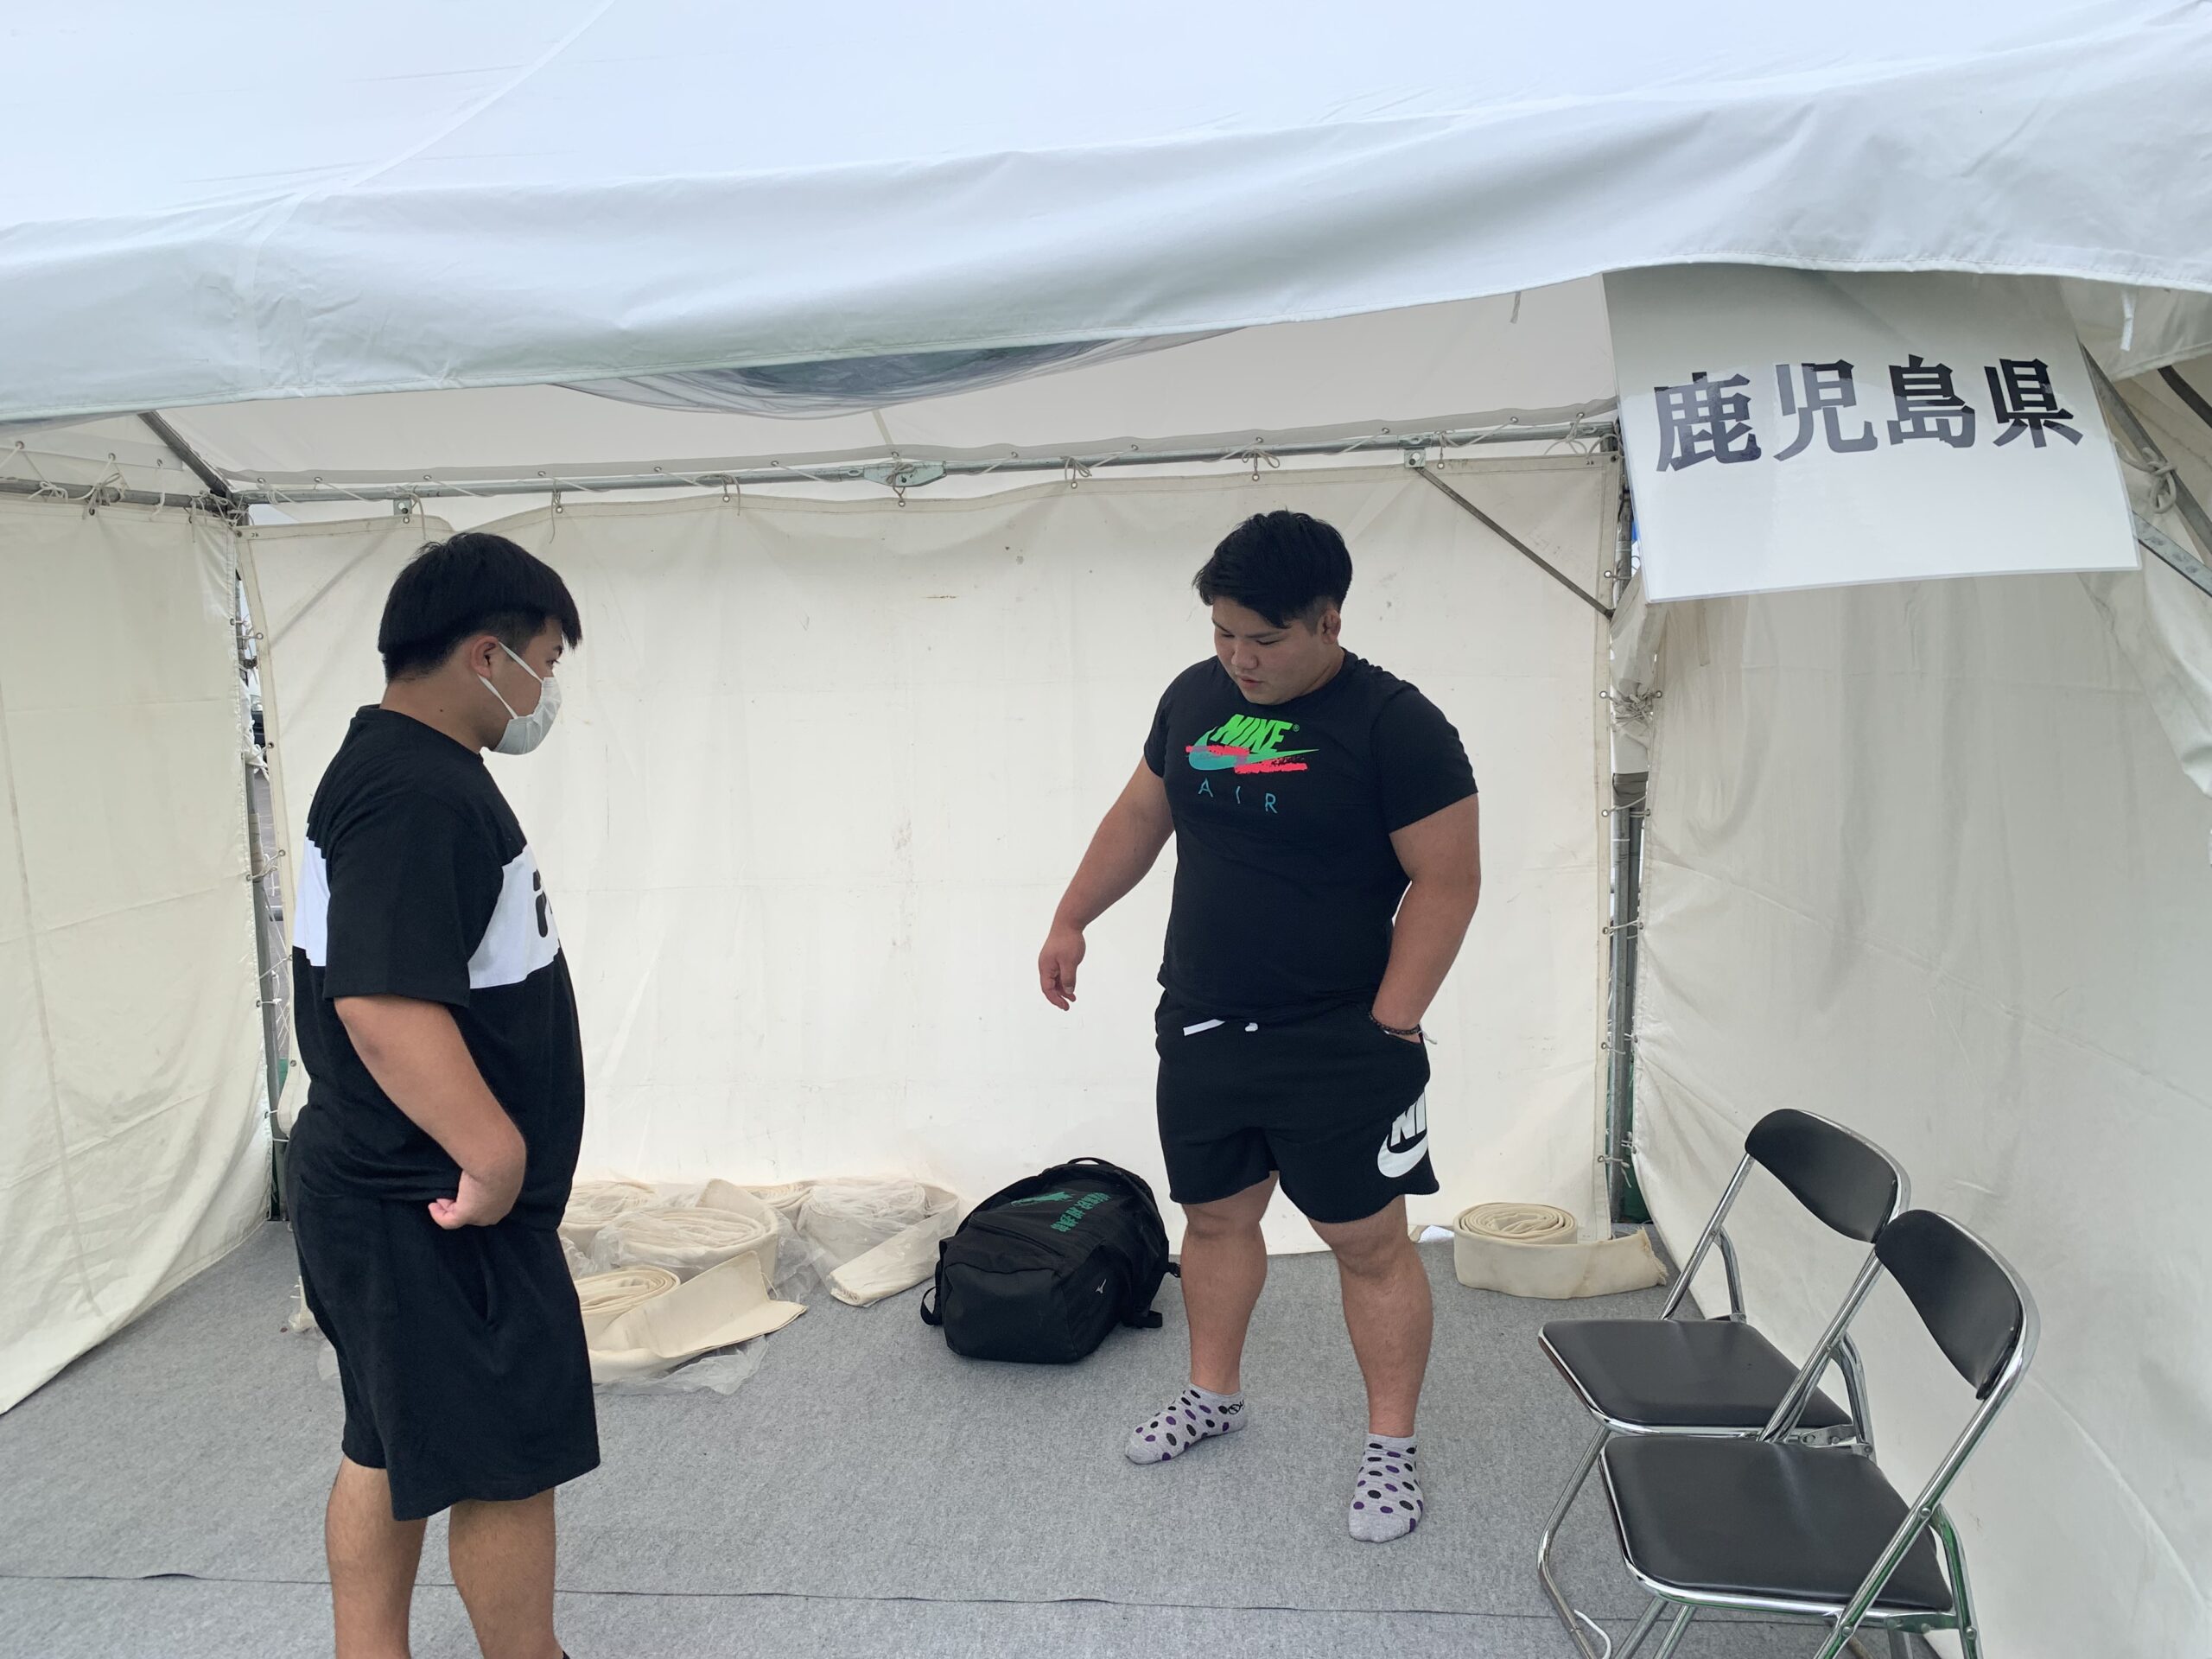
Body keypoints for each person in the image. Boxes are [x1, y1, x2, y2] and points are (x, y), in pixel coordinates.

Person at [1039, 509, 1481, 1542]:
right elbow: (1141, 815)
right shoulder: (1194, 697)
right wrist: (1071, 916)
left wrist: (1391, 1026)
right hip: (1202, 1019)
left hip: (1340, 1036)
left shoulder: (1398, 726)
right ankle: (1214, 1394)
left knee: (1365, 1242)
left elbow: (1447, 881)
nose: (1238, 658)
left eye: (1264, 639)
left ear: (1329, 620)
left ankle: (1390, 1446)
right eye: (1222, 632)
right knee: (1215, 1219)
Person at [288, 531, 591, 1659]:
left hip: (388, 1186)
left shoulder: (392, 769)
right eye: (544, 663)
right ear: (485, 656)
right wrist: (496, 1156)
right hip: (430, 1197)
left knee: (388, 1440)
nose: (545, 690)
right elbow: (380, 1003)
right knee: (504, 1459)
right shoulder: (416, 792)